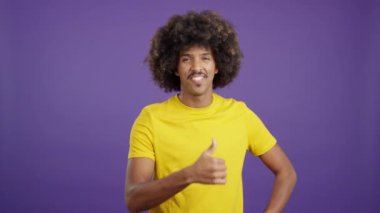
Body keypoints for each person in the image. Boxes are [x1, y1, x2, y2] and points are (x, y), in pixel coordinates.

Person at [125, 10, 297, 213]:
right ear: (174, 67)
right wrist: (189, 174)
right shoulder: (151, 119)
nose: (197, 67)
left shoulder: (239, 114)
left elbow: (287, 172)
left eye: (205, 58)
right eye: (186, 59)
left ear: (217, 66)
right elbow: (133, 200)